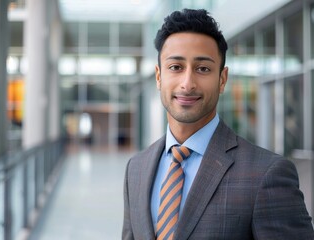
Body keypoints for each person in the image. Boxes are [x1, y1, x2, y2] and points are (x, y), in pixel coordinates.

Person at [122, 9, 314, 240]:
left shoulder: (267, 173)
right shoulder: (136, 169)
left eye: (203, 69)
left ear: (222, 80)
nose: (188, 83)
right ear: (159, 76)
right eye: (176, 67)